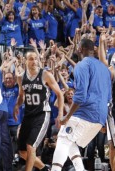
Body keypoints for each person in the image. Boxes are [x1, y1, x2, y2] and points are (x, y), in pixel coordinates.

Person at [51, 38, 112, 171]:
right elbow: (109, 98)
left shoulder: (82, 65)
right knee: (69, 140)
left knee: (62, 137)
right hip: (100, 118)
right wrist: (104, 122)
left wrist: (67, 117)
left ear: (80, 49)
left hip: (86, 113)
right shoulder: (105, 69)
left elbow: (80, 96)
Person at [13, 51, 64, 171]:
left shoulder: (45, 74)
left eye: (36, 59)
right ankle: (45, 169)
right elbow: (21, 96)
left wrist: (60, 113)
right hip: (28, 115)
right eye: (31, 59)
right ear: (25, 61)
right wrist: (17, 106)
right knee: (22, 152)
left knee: (31, 147)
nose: (34, 61)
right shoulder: (21, 77)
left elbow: (60, 94)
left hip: (42, 114)